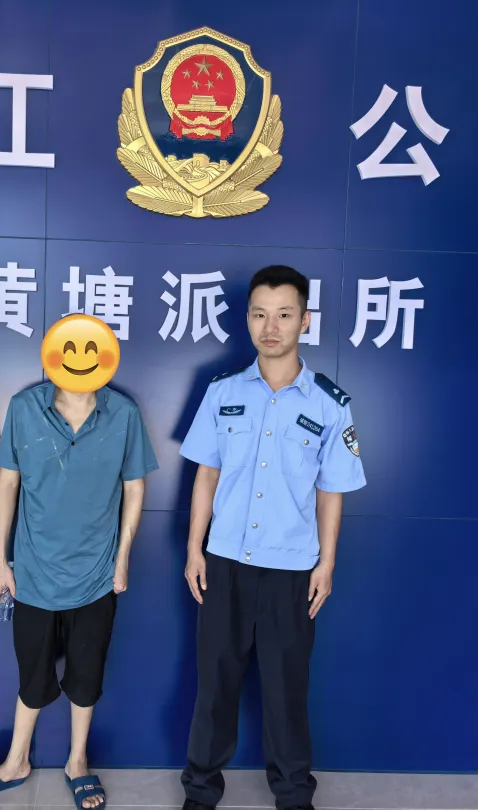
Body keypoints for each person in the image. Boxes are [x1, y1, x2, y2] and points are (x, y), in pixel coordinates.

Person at [178, 265, 366, 810]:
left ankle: (293, 795)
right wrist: (194, 548)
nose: (271, 326)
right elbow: (206, 474)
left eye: (284, 314)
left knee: (286, 692)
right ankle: (200, 792)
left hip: (292, 569)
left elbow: (332, 491)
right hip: (225, 563)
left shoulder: (329, 403)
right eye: (260, 314)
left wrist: (326, 563)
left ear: (305, 320)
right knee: (215, 688)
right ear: (248, 319)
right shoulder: (222, 392)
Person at [0, 338, 158, 809]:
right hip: (32, 572)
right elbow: (7, 483)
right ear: (52, 355)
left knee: (86, 677)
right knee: (32, 676)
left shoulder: (123, 413)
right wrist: (0, 561)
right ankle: (15, 762)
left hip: (97, 574)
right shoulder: (25, 407)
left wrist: (123, 556)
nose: (79, 357)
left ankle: (77, 762)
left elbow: (134, 486)